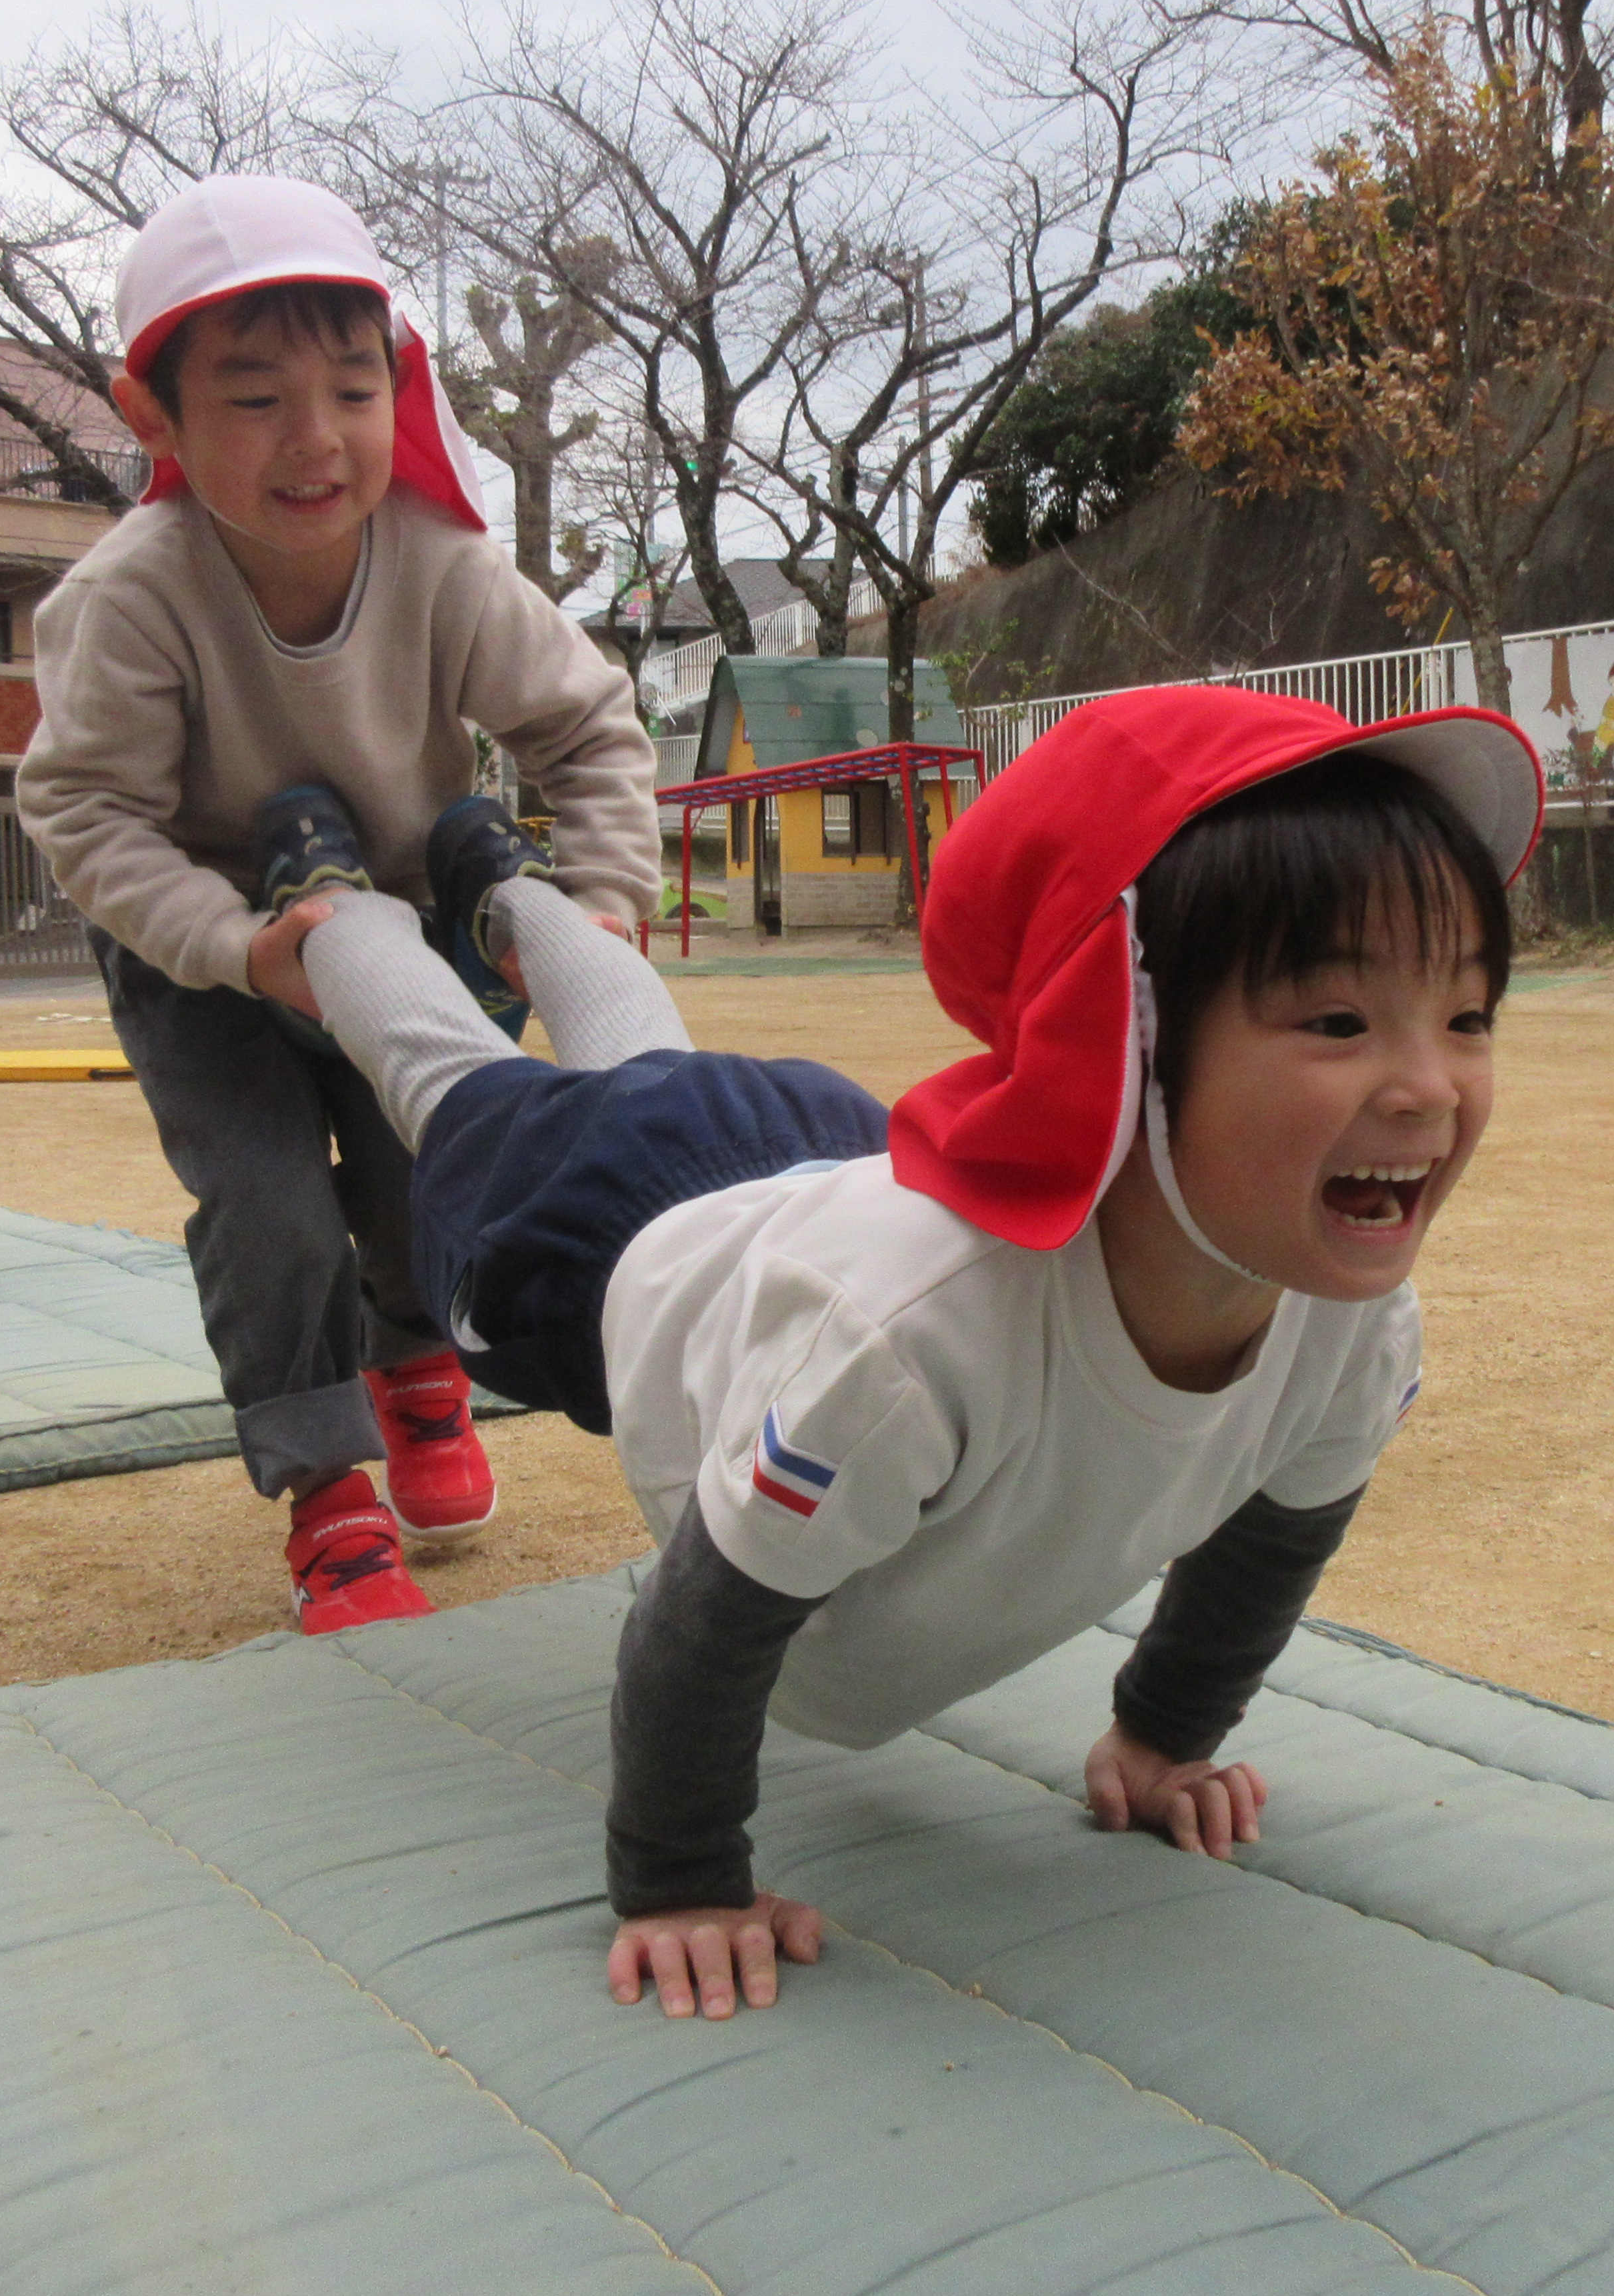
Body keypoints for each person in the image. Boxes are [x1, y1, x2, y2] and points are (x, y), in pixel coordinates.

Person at [265, 685, 1538, 2019]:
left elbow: (1273, 1532)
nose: (1429, 1087)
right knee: (455, 1082)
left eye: (1467, 1015)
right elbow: (696, 1621)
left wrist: (1165, 1735)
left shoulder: (1352, 1330)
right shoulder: (911, 1346)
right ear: (1123, 1034)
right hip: (606, 1231)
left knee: (642, 1062)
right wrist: (678, 1877)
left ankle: (509, 887)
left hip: (820, 1178)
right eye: (1338, 1022)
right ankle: (340, 906)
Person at [18, 175, 659, 1638]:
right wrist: (235, 947)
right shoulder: (133, 596)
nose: (314, 438)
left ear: (399, 387)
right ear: (153, 415)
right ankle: (327, 1492)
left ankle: (418, 1364)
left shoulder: (441, 563)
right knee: (268, 1202)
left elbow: (589, 726)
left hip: (395, 923)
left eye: (353, 390)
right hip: (203, 942)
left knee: (418, 1163)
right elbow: (89, 813)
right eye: (254, 399)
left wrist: (604, 903)